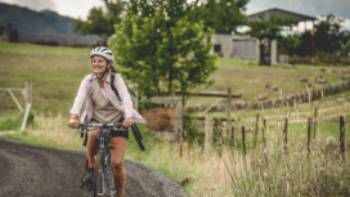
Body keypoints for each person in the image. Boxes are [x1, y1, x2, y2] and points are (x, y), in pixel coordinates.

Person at [68, 46, 145, 197]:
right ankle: (90, 165)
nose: (96, 63)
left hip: (118, 123)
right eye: (94, 61)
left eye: (100, 61)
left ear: (108, 64)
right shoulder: (88, 80)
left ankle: (120, 194)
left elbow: (126, 99)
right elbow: (80, 98)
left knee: (117, 163)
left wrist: (128, 117)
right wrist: (74, 116)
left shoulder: (117, 80)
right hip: (96, 121)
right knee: (91, 136)